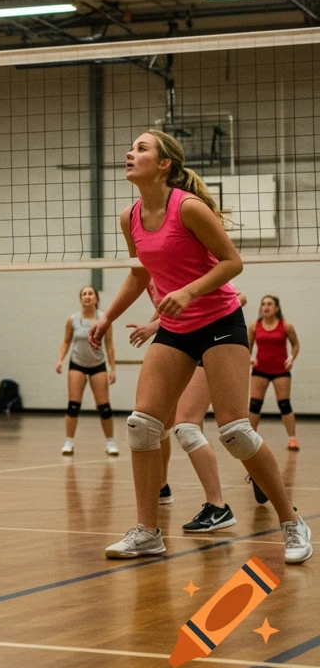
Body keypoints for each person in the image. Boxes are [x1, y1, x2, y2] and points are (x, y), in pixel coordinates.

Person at [90, 130, 310, 563]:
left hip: (219, 323)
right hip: (175, 328)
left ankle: (291, 522)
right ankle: (148, 532)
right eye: (131, 148)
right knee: (142, 424)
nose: (129, 153)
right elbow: (139, 275)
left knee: (234, 431)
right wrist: (107, 317)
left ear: (164, 164)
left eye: (141, 149)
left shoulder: (187, 207)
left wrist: (189, 293)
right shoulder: (129, 217)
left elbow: (233, 261)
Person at [126, 290, 249, 533]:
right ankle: (161, 487)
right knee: (156, 421)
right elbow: (167, 311)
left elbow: (239, 297)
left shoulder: (185, 259)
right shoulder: (151, 271)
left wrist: (154, 327)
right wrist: (154, 329)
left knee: (190, 427)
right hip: (183, 343)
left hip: (213, 339)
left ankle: (219, 505)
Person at [55, 286, 118, 457]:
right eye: (84, 294)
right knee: (73, 405)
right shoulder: (72, 320)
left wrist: (113, 368)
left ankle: (110, 442)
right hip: (77, 363)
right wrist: (60, 359)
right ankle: (68, 442)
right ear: (81, 298)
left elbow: (109, 345)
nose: (87, 296)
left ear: (96, 299)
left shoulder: (104, 319)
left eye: (90, 293)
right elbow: (66, 341)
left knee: (104, 407)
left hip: (98, 364)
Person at [248, 295, 301, 450]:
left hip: (280, 370)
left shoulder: (286, 326)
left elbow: (296, 345)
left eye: (270, 304)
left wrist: (291, 358)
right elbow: (247, 346)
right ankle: (251, 437)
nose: (266, 307)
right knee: (254, 405)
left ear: (276, 308)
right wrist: (250, 358)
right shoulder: (254, 326)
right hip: (260, 370)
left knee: (284, 404)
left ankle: (292, 439)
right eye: (263, 304)